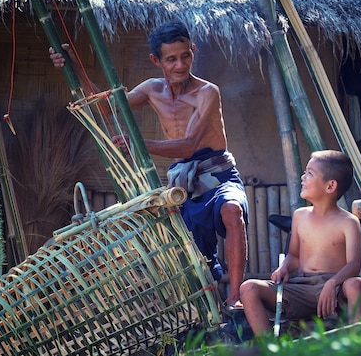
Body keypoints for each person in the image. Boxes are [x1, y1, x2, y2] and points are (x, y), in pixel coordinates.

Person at [49, 20, 249, 309]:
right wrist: (74, 67)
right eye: (171, 59)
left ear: (193, 51)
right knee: (186, 247)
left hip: (217, 172)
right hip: (182, 179)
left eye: (186, 56)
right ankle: (198, 306)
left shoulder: (207, 92)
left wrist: (140, 145)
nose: (180, 65)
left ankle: (236, 296)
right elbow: (108, 106)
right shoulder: (152, 89)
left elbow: (191, 144)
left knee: (232, 211)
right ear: (157, 60)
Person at [239, 150, 361, 336]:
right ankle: (269, 348)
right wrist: (284, 267)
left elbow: (354, 264)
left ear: (330, 186)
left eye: (309, 173)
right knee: (249, 288)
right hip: (300, 288)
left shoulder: (348, 222)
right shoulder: (300, 216)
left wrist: (332, 283)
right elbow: (294, 257)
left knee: (355, 284)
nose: (302, 177)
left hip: (335, 289)